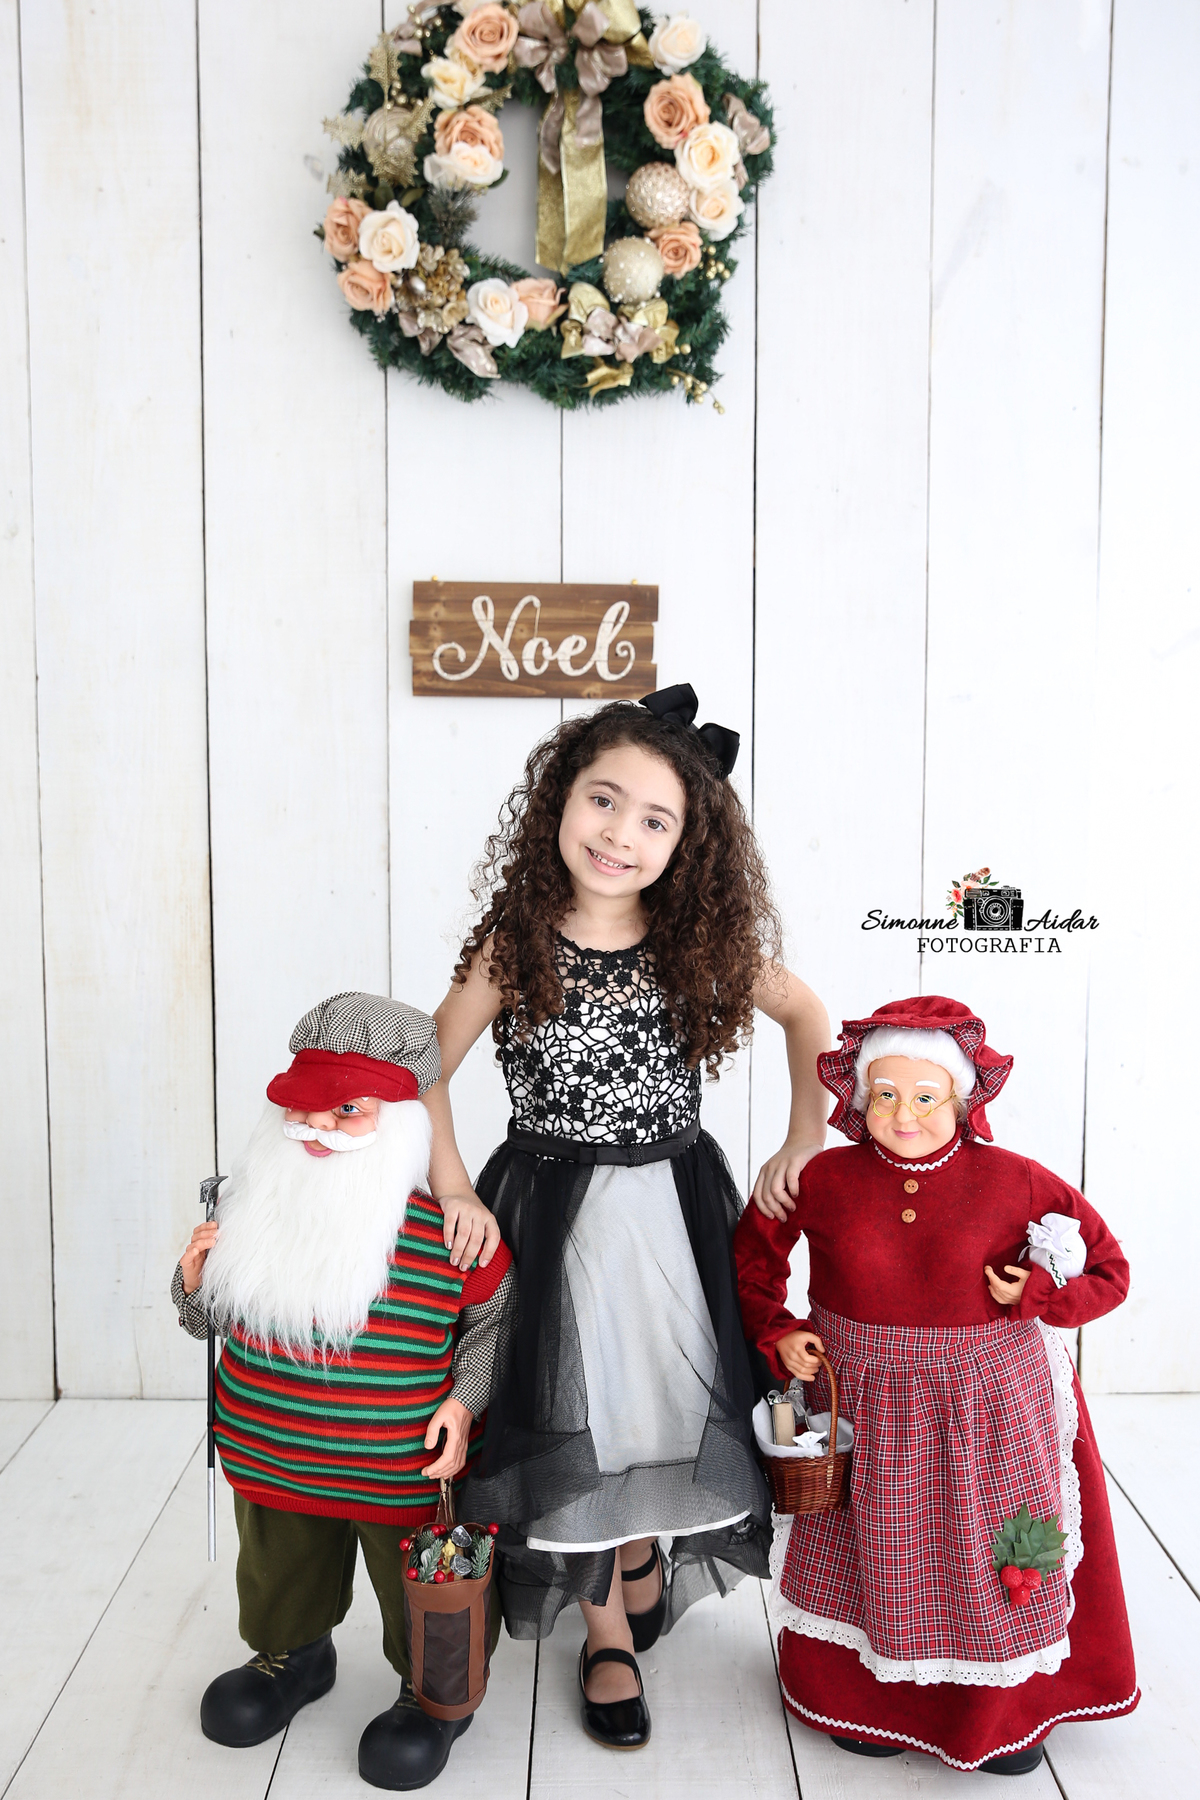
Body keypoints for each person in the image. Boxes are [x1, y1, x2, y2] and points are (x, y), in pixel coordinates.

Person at [422, 684, 830, 1751]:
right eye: (604, 801)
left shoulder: (695, 942)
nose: (620, 834)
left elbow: (807, 1014)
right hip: (554, 1215)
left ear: (687, 845)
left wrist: (804, 1135)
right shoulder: (513, 946)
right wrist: (453, 1184)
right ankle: (605, 1631)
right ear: (561, 797)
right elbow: (423, 1065)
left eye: (656, 820)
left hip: (672, 1211)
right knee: (584, 1406)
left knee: (662, 1399)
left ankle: (643, 1544)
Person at [735, 994, 1139, 1775]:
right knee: (868, 1549)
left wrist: (1039, 1295)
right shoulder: (822, 1178)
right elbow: (754, 1259)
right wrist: (778, 1329)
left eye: (926, 1097)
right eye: (885, 1093)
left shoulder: (1016, 1181)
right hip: (862, 1404)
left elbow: (1110, 1271)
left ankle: (1000, 1709)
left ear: (960, 1099)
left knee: (989, 1551)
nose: (904, 1114)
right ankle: (865, 1701)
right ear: (859, 1097)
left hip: (988, 1407)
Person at [172, 991, 514, 1791]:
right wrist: (192, 1284)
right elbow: (205, 1321)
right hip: (273, 1458)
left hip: (401, 1472)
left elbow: (496, 1322)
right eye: (303, 1107)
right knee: (279, 1566)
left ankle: (435, 1695)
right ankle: (291, 1654)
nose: (317, 1128)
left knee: (417, 1588)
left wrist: (465, 1401)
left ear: (400, 1122)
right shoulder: (250, 1216)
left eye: (347, 1111)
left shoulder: (451, 1235)